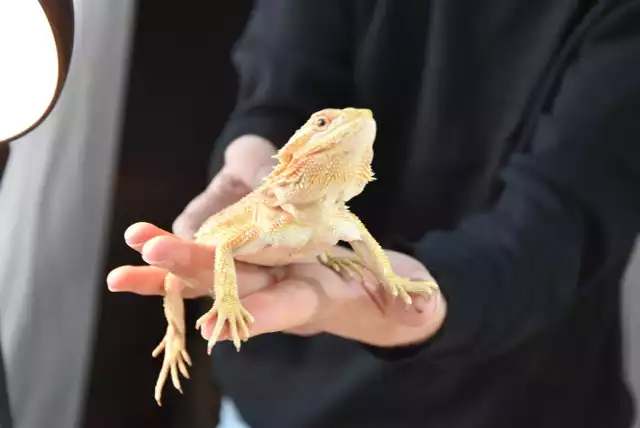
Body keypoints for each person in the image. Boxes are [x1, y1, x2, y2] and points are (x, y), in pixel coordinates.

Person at [107, 1, 640, 427]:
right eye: (323, 127)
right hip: (277, 396)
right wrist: (251, 157)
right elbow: (285, 71)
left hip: (521, 398)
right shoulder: (280, 210)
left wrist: (414, 287)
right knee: (173, 275)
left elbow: (558, 225)